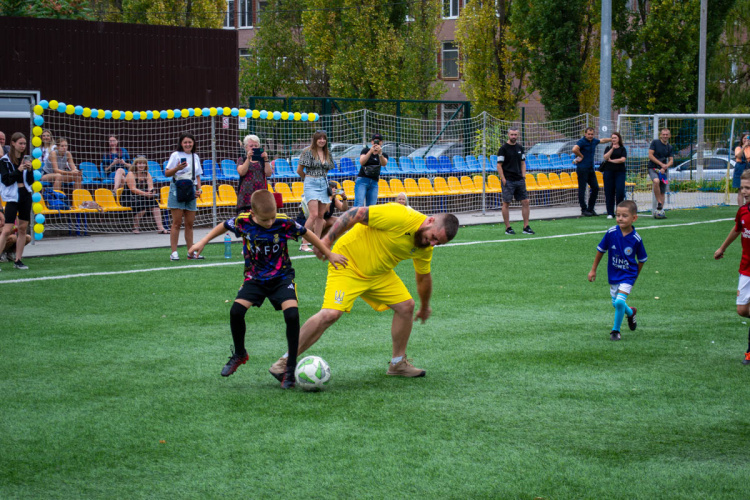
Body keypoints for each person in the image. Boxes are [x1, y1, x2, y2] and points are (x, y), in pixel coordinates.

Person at [268, 203, 460, 380]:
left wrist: (425, 306)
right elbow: (356, 213)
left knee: (406, 306)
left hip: (378, 273)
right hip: (347, 263)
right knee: (330, 314)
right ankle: (285, 361)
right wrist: (327, 240)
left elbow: (423, 277)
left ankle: (397, 364)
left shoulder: (424, 246)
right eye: (434, 237)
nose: (432, 244)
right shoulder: (401, 216)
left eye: (438, 243)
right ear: (430, 221)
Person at [188, 189, 348, 389]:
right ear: (253, 214)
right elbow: (222, 226)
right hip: (254, 278)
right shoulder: (243, 221)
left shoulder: (283, 221)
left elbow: (307, 233)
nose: (270, 223)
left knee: (292, 315)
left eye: (272, 218)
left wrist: (328, 253)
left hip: (281, 277)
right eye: (265, 220)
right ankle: (239, 353)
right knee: (236, 311)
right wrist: (202, 241)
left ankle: (289, 368)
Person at [587, 200, 647, 341]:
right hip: (614, 274)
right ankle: (630, 312)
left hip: (628, 275)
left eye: (624, 216)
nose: (620, 218)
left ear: (634, 218)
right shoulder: (611, 233)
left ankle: (615, 331)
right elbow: (600, 250)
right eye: (618, 215)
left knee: (619, 302)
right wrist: (593, 270)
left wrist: (634, 277)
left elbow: (642, 259)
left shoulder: (636, 239)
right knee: (616, 304)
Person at [714, 169, 750, 365]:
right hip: (746, 267)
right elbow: (738, 228)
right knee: (742, 310)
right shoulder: (743, 211)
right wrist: (722, 248)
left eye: (748, 188)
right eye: (742, 187)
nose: (744, 191)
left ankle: (749, 352)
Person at [165, 132, 203, 261]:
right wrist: (177, 168)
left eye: (190, 142)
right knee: (176, 223)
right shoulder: (175, 155)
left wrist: (199, 189)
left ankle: (190, 252)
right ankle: (174, 252)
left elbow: (197, 176)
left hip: (191, 189)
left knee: (190, 223)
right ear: (181, 143)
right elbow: (167, 173)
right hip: (177, 188)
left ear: (193, 143)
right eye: (185, 142)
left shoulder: (195, 156)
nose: (188, 144)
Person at [0, 132, 34, 270]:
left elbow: (30, 181)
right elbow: (7, 180)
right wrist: (19, 170)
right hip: (12, 197)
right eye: (20, 143)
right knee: (7, 229)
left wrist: (30, 170)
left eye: (24, 143)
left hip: (25, 195)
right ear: (13, 143)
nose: (22, 146)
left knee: (22, 228)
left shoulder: (26, 160)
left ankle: (18, 260)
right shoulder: (4, 161)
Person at [297, 130, 335, 252]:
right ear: (315, 139)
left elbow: (327, 169)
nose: (322, 140)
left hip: (323, 183)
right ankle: (304, 243)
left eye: (324, 138)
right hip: (310, 183)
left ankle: (317, 243)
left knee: (320, 215)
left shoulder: (327, 153)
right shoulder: (307, 152)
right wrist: (308, 179)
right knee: (313, 214)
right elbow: (299, 170)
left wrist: (321, 178)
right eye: (320, 138)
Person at [497, 128, 534, 235]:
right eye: (512, 134)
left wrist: (523, 176)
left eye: (515, 135)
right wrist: (503, 178)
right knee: (506, 203)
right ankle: (508, 228)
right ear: (508, 135)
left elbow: (523, 163)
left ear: (518, 135)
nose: (513, 136)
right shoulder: (503, 149)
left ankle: (526, 227)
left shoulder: (520, 148)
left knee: (526, 201)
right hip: (508, 180)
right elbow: (499, 165)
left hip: (519, 179)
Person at [120, 156, 168, 234]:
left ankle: (160, 228)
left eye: (143, 163)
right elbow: (133, 189)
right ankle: (135, 227)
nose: (141, 165)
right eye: (139, 163)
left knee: (154, 202)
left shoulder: (147, 174)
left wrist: (152, 192)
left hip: (142, 196)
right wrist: (145, 194)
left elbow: (150, 187)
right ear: (135, 165)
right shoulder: (130, 174)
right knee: (142, 204)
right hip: (129, 197)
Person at [572, 127, 612, 216]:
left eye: (592, 134)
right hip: (582, 168)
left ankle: (590, 209)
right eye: (588, 134)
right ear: (585, 134)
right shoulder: (582, 141)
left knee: (595, 187)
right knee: (582, 189)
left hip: (590, 168)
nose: (590, 136)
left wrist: (612, 139)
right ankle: (584, 209)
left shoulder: (594, 141)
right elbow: (574, 149)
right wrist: (581, 156)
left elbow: (602, 140)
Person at [236, 134, 273, 212]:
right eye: (251, 146)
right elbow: (242, 172)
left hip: (260, 193)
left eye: (256, 146)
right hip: (245, 194)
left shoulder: (262, 160)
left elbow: (269, 173)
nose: (254, 148)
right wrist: (248, 158)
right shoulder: (242, 159)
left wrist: (266, 159)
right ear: (246, 147)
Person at [355, 133, 388, 207]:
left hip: (374, 182)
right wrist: (370, 151)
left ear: (381, 142)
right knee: (359, 204)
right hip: (362, 180)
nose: (376, 143)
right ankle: (355, 218)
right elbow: (362, 162)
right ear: (372, 142)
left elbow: (384, 163)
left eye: (378, 141)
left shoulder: (383, 154)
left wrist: (379, 154)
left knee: (371, 207)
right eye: (375, 141)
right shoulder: (365, 150)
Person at [600, 131, 628, 219]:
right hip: (609, 172)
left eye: (615, 138)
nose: (614, 140)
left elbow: (622, 159)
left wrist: (612, 161)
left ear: (619, 139)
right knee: (609, 192)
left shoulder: (622, 149)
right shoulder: (608, 148)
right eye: (612, 138)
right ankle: (610, 213)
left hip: (620, 172)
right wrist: (612, 149)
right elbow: (605, 157)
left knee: (620, 191)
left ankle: (619, 212)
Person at [647, 128, 673, 219]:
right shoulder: (655, 142)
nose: (665, 136)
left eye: (667, 134)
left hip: (663, 170)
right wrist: (661, 164)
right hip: (653, 168)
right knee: (656, 181)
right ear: (660, 135)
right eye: (663, 134)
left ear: (669, 136)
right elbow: (650, 155)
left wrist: (665, 166)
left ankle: (660, 211)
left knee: (662, 192)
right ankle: (659, 202)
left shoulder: (669, 147)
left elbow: (671, 161)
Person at [733, 133, 750, 206]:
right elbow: (739, 156)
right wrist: (744, 147)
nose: (746, 140)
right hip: (740, 167)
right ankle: (741, 208)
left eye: (747, 138)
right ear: (742, 139)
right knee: (741, 190)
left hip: (748, 167)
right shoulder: (738, 148)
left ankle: (747, 206)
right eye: (744, 138)